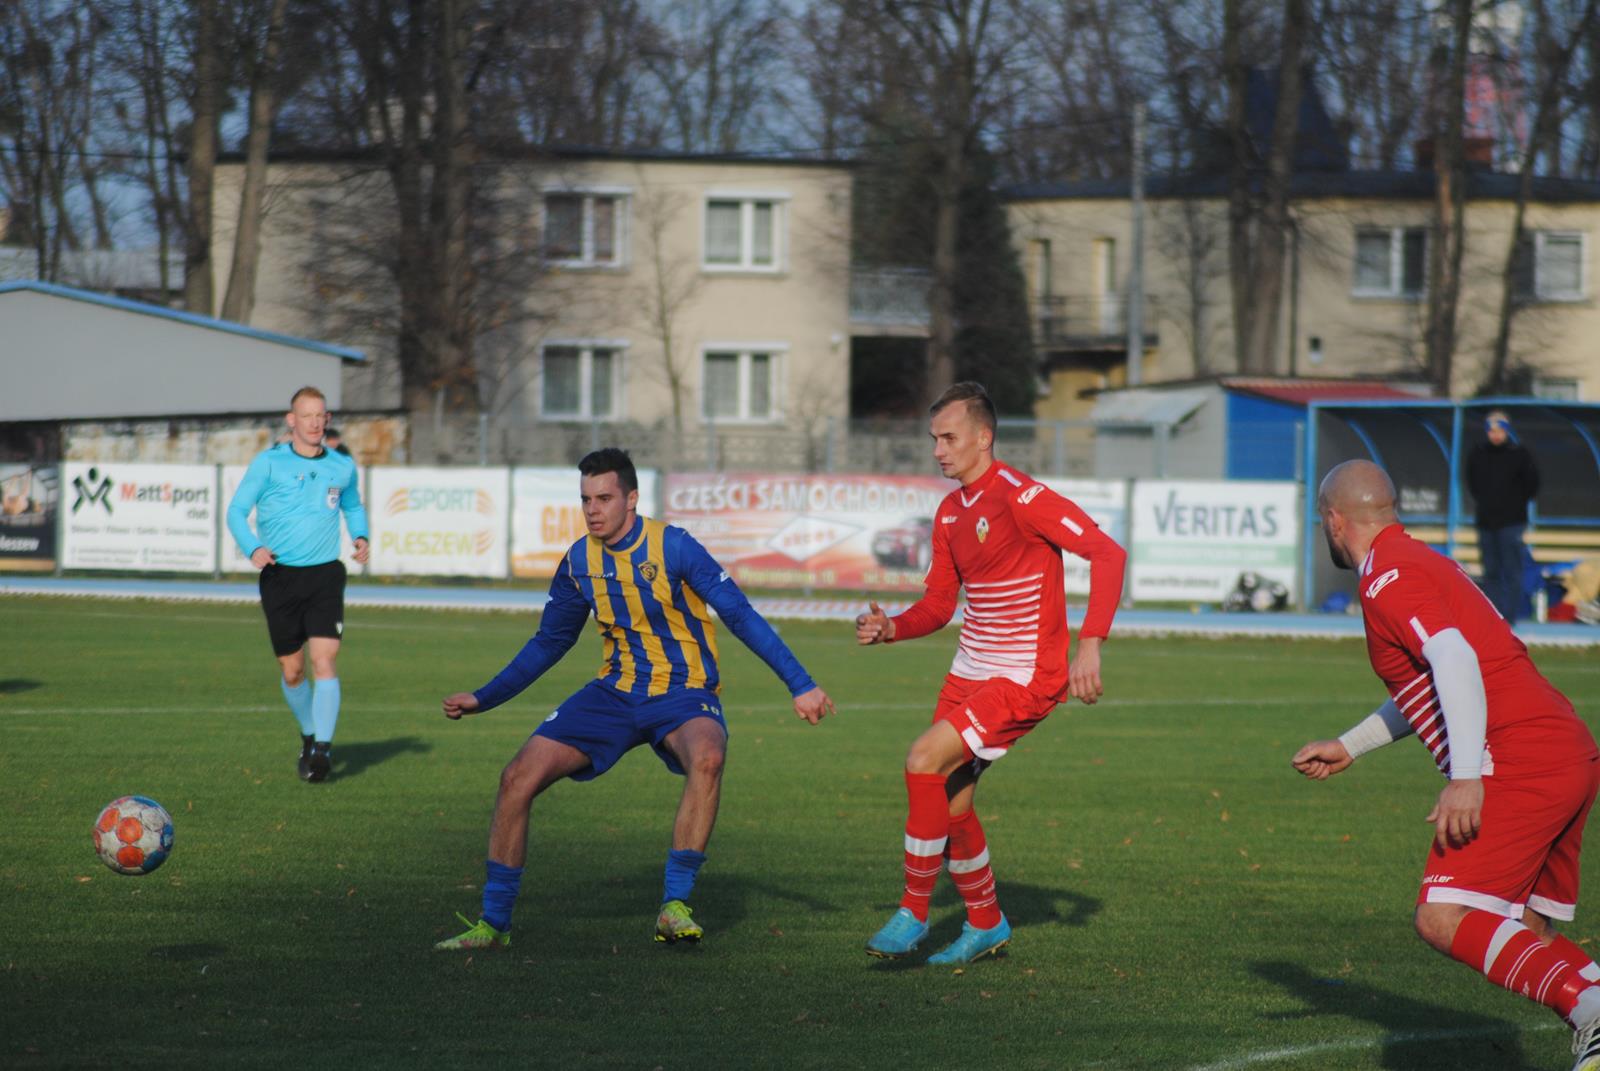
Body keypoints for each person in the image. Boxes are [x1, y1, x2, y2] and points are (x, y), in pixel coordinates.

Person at [434, 447, 836, 950]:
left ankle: (674, 904)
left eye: (604, 498)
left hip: (684, 693)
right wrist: (484, 697)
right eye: (585, 499)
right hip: (614, 692)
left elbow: (739, 613)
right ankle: (494, 925)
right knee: (516, 778)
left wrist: (800, 683)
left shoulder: (675, 546)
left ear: (632, 498)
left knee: (707, 757)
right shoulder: (579, 559)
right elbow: (550, 642)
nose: (593, 509)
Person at [1292, 459, 1600, 1071]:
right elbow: (1431, 680)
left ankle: (1593, 1011)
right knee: (1525, 933)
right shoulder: (1419, 559)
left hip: (1518, 758)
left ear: (1333, 520)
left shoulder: (1385, 578)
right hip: (1565, 748)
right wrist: (1352, 744)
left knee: (1444, 917)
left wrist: (1466, 778)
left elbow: (1454, 660)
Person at [854, 381, 1127, 965]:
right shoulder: (951, 511)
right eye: (934, 439)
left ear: (984, 437)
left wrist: (1091, 646)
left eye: (949, 438)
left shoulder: (1022, 498)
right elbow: (939, 604)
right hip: (967, 672)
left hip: (1023, 677)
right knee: (951, 801)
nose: (938, 450)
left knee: (922, 759)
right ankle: (986, 922)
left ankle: (913, 912)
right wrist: (892, 627)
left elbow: (1108, 554)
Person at [227, 386, 370, 783]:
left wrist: (361, 536)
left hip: (325, 575)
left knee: (325, 660)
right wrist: (252, 547)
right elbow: (237, 511)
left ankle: (323, 748)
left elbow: (353, 506)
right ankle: (309, 735)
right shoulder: (268, 464)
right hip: (280, 577)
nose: (314, 422)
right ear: (292, 420)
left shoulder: (341, 466)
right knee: (293, 671)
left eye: (320, 415)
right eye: (306, 415)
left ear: (327, 419)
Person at [1466, 410, 1540, 622]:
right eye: (1492, 430)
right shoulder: (1478, 454)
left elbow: (1531, 485)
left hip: (1512, 522)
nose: (1496, 435)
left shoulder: (1520, 455)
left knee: (1512, 571)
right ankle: (1493, 616)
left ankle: (1510, 617)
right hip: (1486, 522)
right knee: (1491, 571)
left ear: (1507, 431)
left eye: (1500, 430)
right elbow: (1473, 484)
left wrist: (1513, 505)